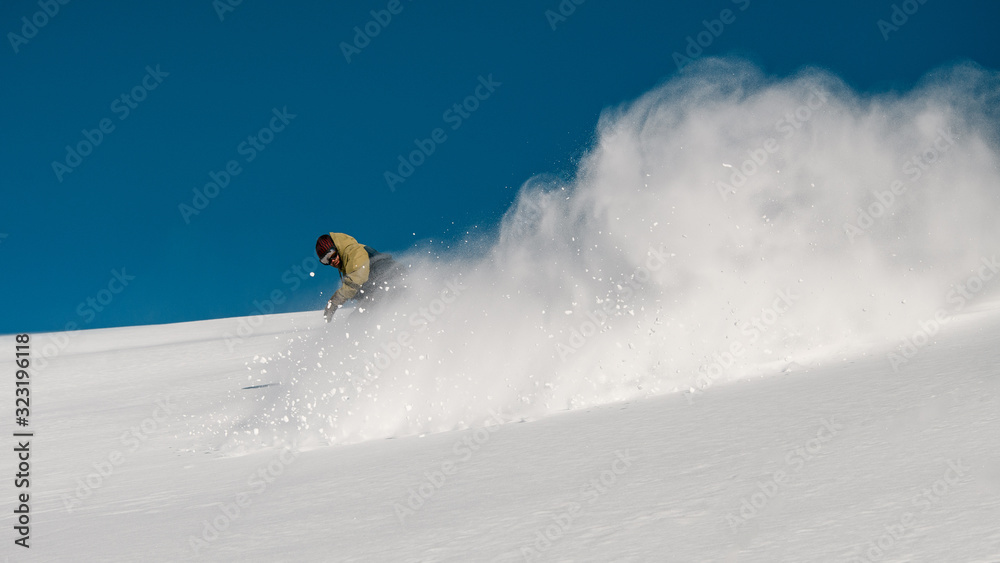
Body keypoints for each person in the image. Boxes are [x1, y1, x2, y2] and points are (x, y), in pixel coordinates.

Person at [315, 233, 403, 322]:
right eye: (326, 260)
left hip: (389, 279)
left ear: (337, 247)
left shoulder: (353, 251)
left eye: (332, 253)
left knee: (358, 319)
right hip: (380, 285)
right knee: (355, 320)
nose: (332, 260)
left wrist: (334, 302)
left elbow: (356, 279)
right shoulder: (347, 264)